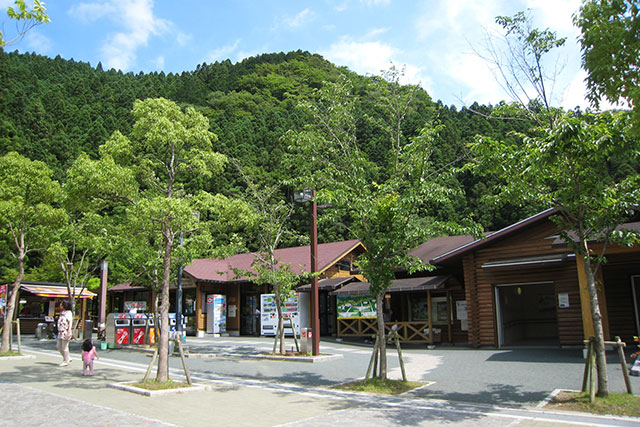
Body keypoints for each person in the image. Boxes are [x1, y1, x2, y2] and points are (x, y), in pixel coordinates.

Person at [56, 300, 73, 367]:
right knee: (59, 346)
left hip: (65, 331)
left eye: (61, 304)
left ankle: (66, 360)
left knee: (64, 347)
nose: (60, 305)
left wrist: (69, 331)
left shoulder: (69, 313)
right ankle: (67, 357)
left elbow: (70, 322)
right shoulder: (62, 312)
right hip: (60, 331)